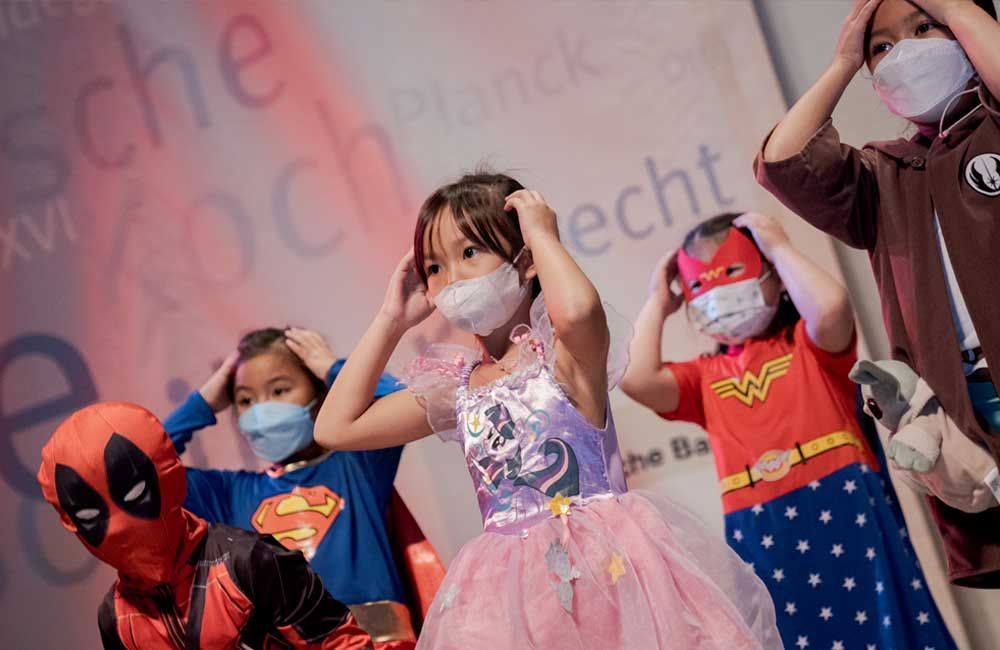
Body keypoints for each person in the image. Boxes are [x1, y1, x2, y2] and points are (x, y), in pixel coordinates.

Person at [312, 170, 781, 648]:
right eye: (435, 268)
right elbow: (336, 427)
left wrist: (541, 235)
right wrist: (391, 319)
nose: (451, 279)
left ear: (525, 260)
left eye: (469, 253)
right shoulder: (456, 389)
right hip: (512, 595)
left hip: (608, 573)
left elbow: (576, 311)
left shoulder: (567, 356)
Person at [620, 211, 955, 650]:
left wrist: (778, 247)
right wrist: (658, 304)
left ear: (775, 278)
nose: (719, 293)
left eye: (735, 272)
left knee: (884, 627)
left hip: (844, 503)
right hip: (761, 529)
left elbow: (833, 308)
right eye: (702, 285)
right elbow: (635, 377)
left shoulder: (809, 344)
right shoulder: (703, 377)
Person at [754, 0, 1000, 586]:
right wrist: (843, 61)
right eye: (882, 46)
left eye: (924, 28)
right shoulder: (884, 174)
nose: (906, 52)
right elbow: (784, 162)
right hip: (965, 410)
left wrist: (954, 8)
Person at [37, 401, 373, 650]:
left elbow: (340, 643)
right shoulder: (116, 617)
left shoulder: (248, 562)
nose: (119, 528)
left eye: (134, 492)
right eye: (89, 515)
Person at [163, 327, 421, 648]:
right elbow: (136, 473)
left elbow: (407, 401)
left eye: (279, 391)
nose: (261, 411)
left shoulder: (358, 462)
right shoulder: (231, 494)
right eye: (245, 400)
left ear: (318, 394)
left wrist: (332, 370)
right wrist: (203, 403)